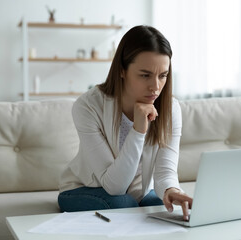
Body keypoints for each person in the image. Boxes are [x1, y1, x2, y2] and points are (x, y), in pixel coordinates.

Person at [58, 25, 193, 220]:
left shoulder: (170, 108)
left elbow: (165, 171)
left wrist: (172, 190)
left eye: (162, 75)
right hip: (84, 189)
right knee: (123, 203)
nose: (155, 87)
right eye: (145, 75)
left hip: (137, 191)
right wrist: (138, 130)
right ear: (122, 70)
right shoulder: (88, 106)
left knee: (165, 206)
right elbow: (114, 187)